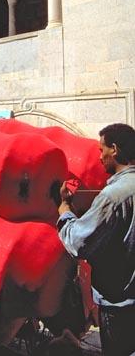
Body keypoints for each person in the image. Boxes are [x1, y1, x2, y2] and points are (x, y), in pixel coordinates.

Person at [57, 123, 135, 356]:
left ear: (115, 149)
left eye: (102, 150)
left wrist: (65, 210)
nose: (100, 157)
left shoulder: (113, 196)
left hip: (119, 306)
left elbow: (78, 242)